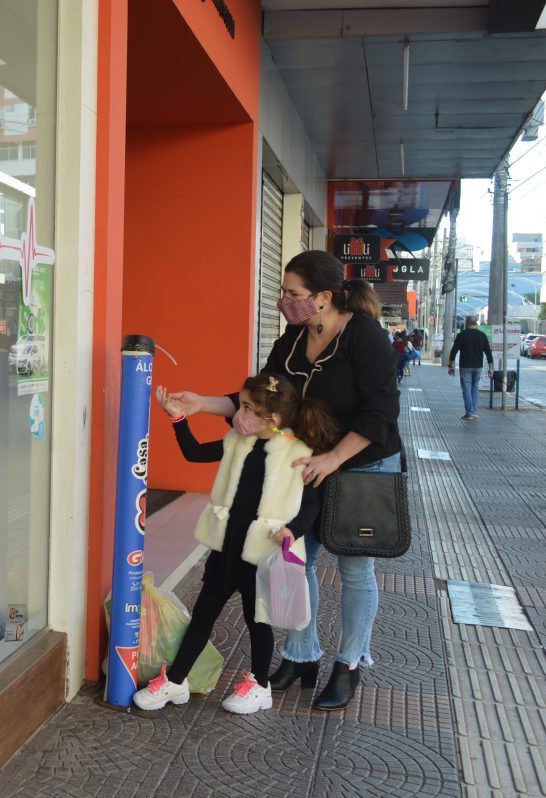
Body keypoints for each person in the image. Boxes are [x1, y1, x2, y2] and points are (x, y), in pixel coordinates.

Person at [164, 250, 401, 710]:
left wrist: (334, 457)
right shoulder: (294, 336)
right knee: (296, 559)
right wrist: (202, 405)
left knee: (355, 568)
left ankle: (349, 663)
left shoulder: (364, 337)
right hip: (308, 464)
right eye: (284, 292)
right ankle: (302, 653)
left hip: (362, 464)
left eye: (293, 294)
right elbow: (263, 398)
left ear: (324, 297)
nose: (283, 302)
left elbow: (382, 412)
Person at [133, 374, 337, 715]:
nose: (237, 415)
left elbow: (312, 502)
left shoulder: (297, 452)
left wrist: (292, 531)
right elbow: (195, 454)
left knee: (257, 619)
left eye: (246, 409)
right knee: (203, 613)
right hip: (226, 546)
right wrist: (178, 419)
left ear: (271, 419)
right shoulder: (236, 440)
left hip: (261, 552)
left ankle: (260, 686)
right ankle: (177, 680)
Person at [448, 316, 493, 420]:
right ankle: (473, 411)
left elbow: (453, 351)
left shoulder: (462, 335)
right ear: (476, 323)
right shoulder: (482, 335)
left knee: (466, 388)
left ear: (466, 324)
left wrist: (451, 366)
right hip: (478, 366)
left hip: (465, 366)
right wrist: (490, 368)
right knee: (475, 387)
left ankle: (469, 413)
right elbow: (488, 352)